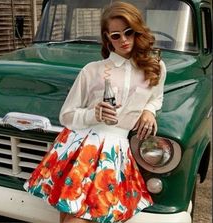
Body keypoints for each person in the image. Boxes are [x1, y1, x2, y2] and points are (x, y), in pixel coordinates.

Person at [24, 1, 166, 223]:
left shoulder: (155, 67)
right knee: (71, 218)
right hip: (83, 146)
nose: (124, 40)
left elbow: (156, 97)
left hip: (116, 151)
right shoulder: (92, 70)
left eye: (128, 32)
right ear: (107, 37)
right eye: (116, 35)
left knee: (82, 217)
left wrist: (149, 110)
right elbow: (66, 115)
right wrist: (94, 114)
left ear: (137, 30)